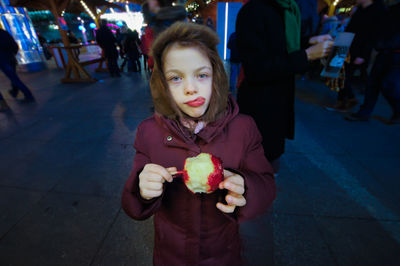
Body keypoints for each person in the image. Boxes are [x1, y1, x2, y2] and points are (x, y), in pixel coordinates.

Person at [121, 22, 276, 265]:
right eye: (175, 78)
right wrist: (142, 191)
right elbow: (131, 203)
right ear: (161, 83)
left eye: (201, 75)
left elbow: (266, 183)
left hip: (222, 252)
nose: (191, 88)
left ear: (216, 76)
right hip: (170, 254)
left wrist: (246, 187)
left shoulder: (243, 128)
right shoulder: (148, 132)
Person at [235, 0, 333, 173]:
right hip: (260, 103)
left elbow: (282, 47)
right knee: (257, 162)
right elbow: (256, 68)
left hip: (280, 99)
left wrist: (310, 42)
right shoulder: (254, 10)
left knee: (271, 159)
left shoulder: (287, 9)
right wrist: (307, 55)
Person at [325, 0, 387, 112]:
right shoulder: (360, 9)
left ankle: (346, 100)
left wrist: (363, 54)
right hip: (346, 43)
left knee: (343, 75)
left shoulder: (377, 11)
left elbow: (373, 35)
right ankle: (345, 99)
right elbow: (352, 28)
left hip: (358, 50)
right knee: (335, 72)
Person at [345, 2, 400, 124]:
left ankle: (398, 109)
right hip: (384, 51)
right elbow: (379, 29)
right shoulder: (390, 10)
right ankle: (364, 113)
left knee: (388, 84)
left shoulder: (384, 10)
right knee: (373, 83)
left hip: (396, 53)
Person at [0, 28, 35, 111]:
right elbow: (15, 45)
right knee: (14, 77)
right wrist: (12, 54)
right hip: (10, 58)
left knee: (14, 78)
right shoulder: (3, 32)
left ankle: (27, 95)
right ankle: (15, 92)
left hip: (2, 60)